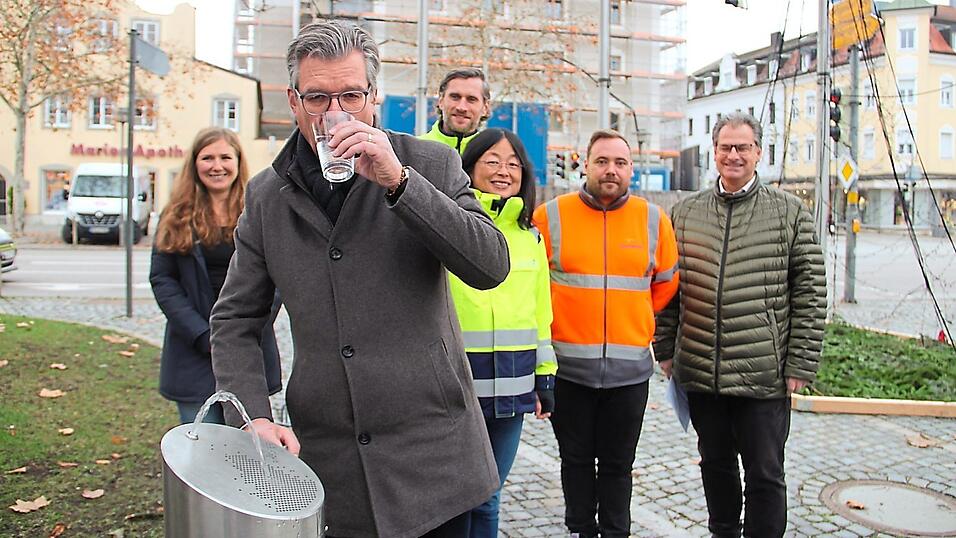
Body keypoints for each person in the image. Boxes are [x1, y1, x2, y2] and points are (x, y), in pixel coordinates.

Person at [209, 19, 510, 538]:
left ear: (374, 96)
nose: (335, 114)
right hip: (330, 458)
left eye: (350, 95)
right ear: (294, 100)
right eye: (318, 98)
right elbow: (236, 318)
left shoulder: (429, 163)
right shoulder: (266, 195)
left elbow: (490, 266)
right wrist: (252, 417)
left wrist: (399, 183)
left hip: (433, 452)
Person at [654, 112, 826, 538]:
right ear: (714, 152)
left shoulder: (789, 212)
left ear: (758, 153)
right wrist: (666, 349)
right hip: (701, 370)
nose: (733, 155)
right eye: (725, 147)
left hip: (763, 374)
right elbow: (669, 287)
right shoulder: (685, 213)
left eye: (742, 147)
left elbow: (810, 291)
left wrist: (799, 363)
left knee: (765, 473)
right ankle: (724, 531)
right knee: (714, 464)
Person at [532, 129, 679, 538]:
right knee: (574, 461)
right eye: (602, 161)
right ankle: (581, 528)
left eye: (619, 162)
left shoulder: (653, 219)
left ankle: (616, 531)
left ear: (631, 168)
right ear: (584, 164)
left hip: (629, 373)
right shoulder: (551, 216)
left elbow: (666, 282)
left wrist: (633, 317)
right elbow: (534, 285)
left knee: (618, 464)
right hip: (568, 371)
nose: (610, 170)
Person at [454, 128, 557, 537]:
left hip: (512, 387)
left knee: (489, 497)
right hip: (457, 387)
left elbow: (540, 312)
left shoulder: (531, 237)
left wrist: (544, 375)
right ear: (470, 168)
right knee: (455, 497)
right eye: (492, 161)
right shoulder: (451, 228)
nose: (503, 171)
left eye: (513, 163)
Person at [149, 127, 281, 425]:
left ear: (238, 161)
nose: (217, 166)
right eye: (208, 157)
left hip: (248, 344)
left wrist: (247, 327)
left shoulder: (259, 209)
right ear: (195, 163)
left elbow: (279, 277)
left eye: (225, 157)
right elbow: (162, 279)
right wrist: (201, 334)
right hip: (194, 347)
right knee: (203, 451)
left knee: (246, 448)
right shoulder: (175, 215)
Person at [419, 67, 491, 153]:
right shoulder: (415, 149)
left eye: (471, 99)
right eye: (455, 97)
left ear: (485, 108)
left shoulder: (493, 156)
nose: (461, 107)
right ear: (441, 101)